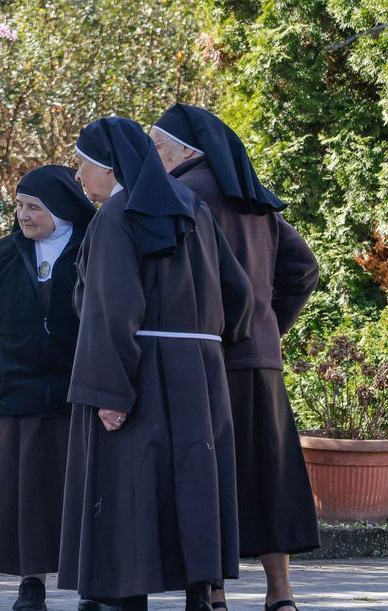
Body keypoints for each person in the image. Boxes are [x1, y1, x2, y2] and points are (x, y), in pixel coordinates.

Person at [59, 117, 254, 611]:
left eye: (83, 164)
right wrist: (209, 348)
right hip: (201, 372)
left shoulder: (117, 216)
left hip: (139, 370)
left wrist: (110, 392)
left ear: (108, 166)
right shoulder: (194, 207)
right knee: (193, 485)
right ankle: (199, 595)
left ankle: (123, 596)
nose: (79, 177)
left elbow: (112, 309)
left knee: (129, 488)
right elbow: (240, 293)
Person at [152, 104, 320, 611]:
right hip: (261, 359)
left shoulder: (181, 195)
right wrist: (269, 323)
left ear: (186, 150)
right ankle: (281, 593)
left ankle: (214, 593)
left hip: (204, 356)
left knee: (208, 471)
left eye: (158, 147)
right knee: (270, 474)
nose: (154, 158)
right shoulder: (255, 199)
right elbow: (305, 270)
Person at [0, 164, 97, 611]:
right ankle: (30, 583)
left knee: (82, 492)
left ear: (60, 209)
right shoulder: (8, 253)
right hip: (18, 390)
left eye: (33, 207)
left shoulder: (91, 248)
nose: (23, 215)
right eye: (19, 205)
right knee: (26, 493)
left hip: (79, 392)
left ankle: (93, 583)